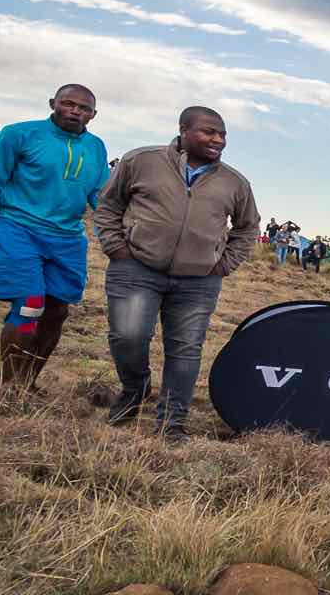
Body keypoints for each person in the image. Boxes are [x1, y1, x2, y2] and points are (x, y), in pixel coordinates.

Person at [93, 107, 259, 439]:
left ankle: (172, 423)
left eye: (222, 134)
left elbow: (247, 227)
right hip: (136, 267)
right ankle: (135, 388)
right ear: (183, 130)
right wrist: (117, 247)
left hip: (199, 281)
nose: (217, 140)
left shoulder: (234, 182)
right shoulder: (141, 161)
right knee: (128, 337)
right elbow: (109, 204)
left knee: (185, 349)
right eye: (209, 132)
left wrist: (223, 264)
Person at [0, 84, 108, 388]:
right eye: (68, 103)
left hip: (68, 238)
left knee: (57, 310)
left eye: (83, 108)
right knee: (30, 303)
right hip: (18, 228)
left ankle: (29, 382)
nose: (75, 111)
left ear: (93, 115)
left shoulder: (96, 147)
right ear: (52, 103)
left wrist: (113, 235)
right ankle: (10, 386)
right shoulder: (19, 134)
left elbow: (101, 197)